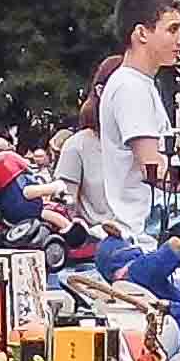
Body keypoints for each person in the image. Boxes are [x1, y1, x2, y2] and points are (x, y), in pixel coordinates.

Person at [99, 0, 180, 240]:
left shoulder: (139, 84)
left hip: (146, 233)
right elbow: (155, 171)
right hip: (144, 238)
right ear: (141, 33)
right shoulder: (130, 87)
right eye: (172, 29)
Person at [55, 57, 124, 232]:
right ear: (101, 92)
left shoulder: (145, 146)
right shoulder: (76, 146)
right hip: (100, 246)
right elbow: (62, 209)